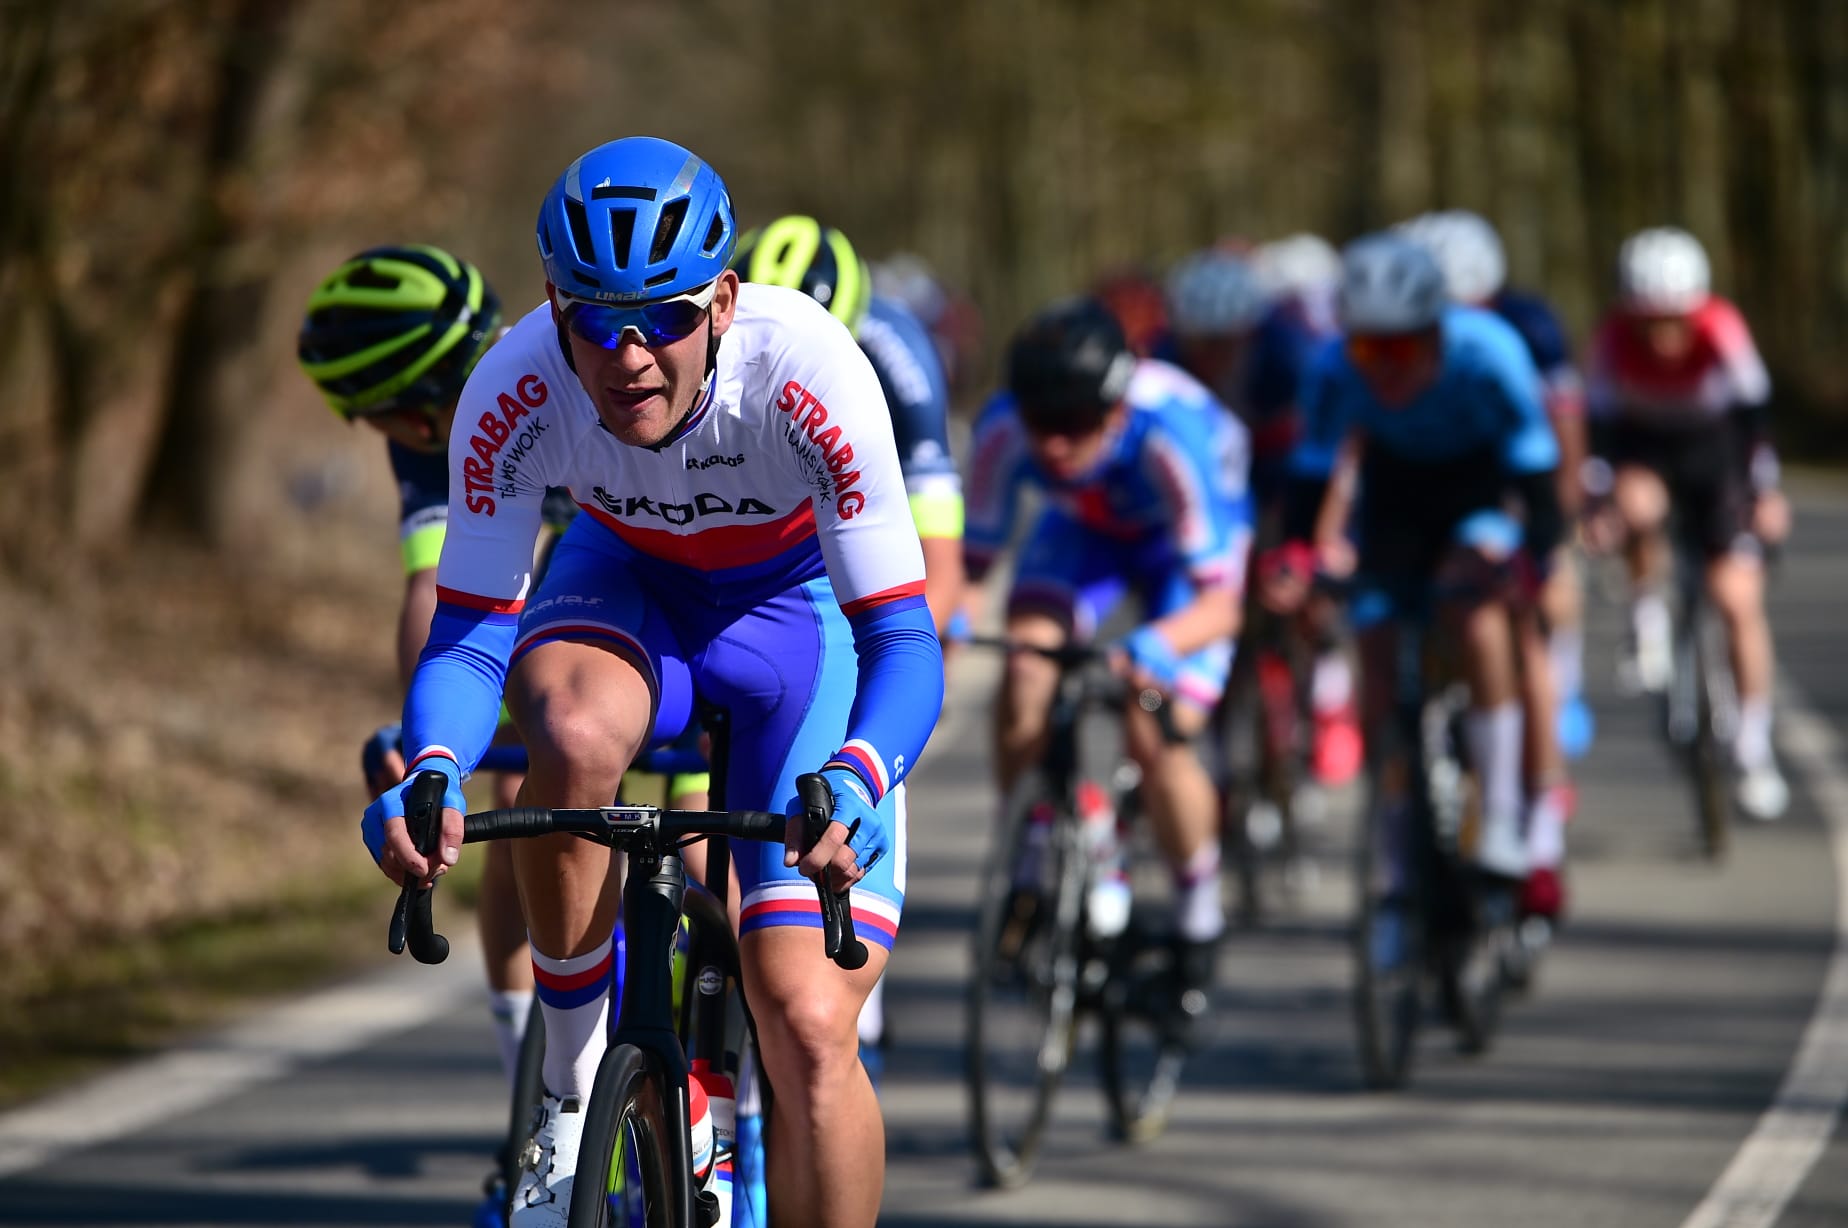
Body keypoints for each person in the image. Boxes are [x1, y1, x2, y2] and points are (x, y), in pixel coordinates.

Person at [358, 136, 942, 1228]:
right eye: (596, 322)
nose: (630, 356)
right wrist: (431, 764)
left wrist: (861, 776)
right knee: (570, 736)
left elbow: (904, 640)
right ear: (553, 307)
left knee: (808, 1023)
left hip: (797, 613)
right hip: (627, 582)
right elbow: (471, 637)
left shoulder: (810, 370)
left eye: (664, 318)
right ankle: (570, 1093)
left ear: (723, 302)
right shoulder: (513, 387)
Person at [297, 245, 546, 1225]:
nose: (387, 438)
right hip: (521, 612)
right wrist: (423, 740)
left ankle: (735, 1097)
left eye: (383, 418)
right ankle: (538, 1124)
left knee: (698, 824)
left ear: (412, 406)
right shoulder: (432, 433)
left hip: (633, 606)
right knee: (519, 815)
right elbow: (434, 587)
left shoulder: (549, 385)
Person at [964, 296, 1252, 1031]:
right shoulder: (1002, 427)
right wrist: (945, 624)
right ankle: (1028, 860)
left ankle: (1197, 919)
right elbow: (970, 565)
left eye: (1077, 425)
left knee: (1155, 728)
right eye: (1042, 425)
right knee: (1027, 664)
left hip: (1184, 556)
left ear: (1116, 411)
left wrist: (1158, 646)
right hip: (1087, 533)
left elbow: (1221, 607)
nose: (1056, 445)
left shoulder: (1170, 436)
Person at [730, 215, 964, 1100]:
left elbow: (934, 566)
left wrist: (900, 661)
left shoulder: (895, 360)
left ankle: (858, 978)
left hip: (861, 546)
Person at [1287, 234, 1564, 921]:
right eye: (1367, 348)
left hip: (1480, 492)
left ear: (1437, 331)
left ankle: (1502, 815)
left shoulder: (1490, 353)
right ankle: (1393, 854)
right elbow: (1312, 472)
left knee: (1478, 615)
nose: (1383, 367)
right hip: (1395, 500)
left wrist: (1534, 558)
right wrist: (1295, 559)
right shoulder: (1332, 368)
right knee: (1377, 654)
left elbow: (1537, 467)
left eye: (1402, 348)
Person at [1395, 208, 1584, 917]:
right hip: (1431, 499)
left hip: (1508, 495)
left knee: (1523, 626)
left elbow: (1560, 436)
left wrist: (1553, 534)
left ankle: (1538, 825)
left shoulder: (1525, 331)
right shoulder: (1394, 343)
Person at [1584, 226, 1790, 819]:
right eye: (1648, 322)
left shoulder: (1722, 327)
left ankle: (1752, 746)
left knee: (1736, 598)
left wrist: (1766, 494)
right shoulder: (1611, 339)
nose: (1662, 336)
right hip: (1645, 447)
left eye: (1674, 320)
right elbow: (1598, 434)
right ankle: (1645, 614)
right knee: (1637, 505)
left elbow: (1756, 421)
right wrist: (1598, 504)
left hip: (1715, 454)